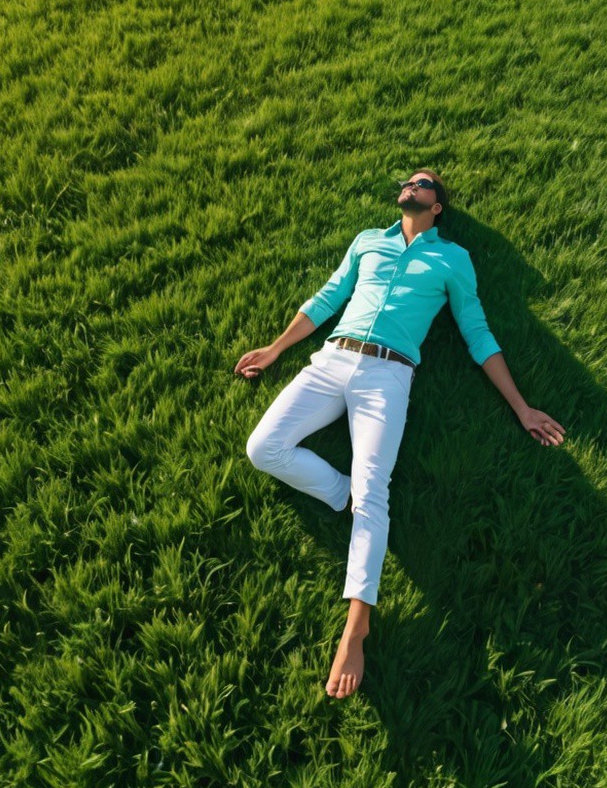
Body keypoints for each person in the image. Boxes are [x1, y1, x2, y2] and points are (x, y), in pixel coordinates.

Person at [236, 170, 565, 700]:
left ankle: (356, 627)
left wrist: (522, 407)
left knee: (376, 496)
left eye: (425, 182)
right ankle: (341, 493)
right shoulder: (369, 241)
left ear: (437, 208)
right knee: (262, 448)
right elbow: (327, 297)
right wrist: (276, 350)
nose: (414, 183)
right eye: (411, 180)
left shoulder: (452, 259)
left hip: (388, 377)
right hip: (332, 359)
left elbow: (476, 332)